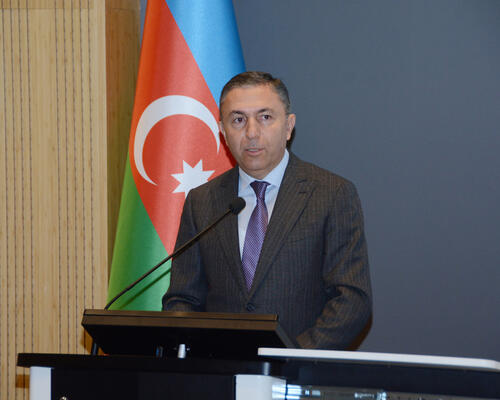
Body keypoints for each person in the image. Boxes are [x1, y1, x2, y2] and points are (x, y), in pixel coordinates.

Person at [162, 71, 372, 349]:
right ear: (223, 131)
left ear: (289, 126)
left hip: (298, 368)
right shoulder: (202, 201)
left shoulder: (331, 194)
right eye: (238, 120)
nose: (251, 132)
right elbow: (183, 299)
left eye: (265, 117)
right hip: (221, 369)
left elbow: (351, 299)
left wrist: (291, 357)